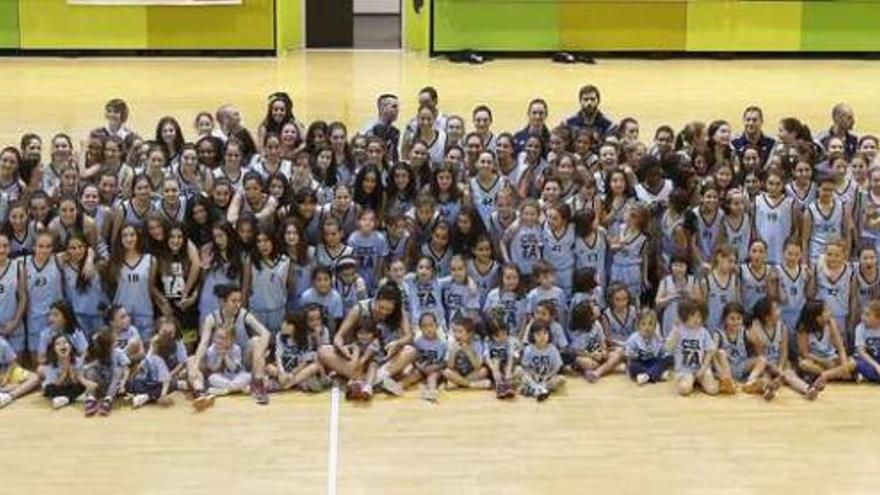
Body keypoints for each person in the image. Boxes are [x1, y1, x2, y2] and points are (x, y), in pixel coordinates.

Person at [190, 284, 271, 406]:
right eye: (234, 301)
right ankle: (200, 392)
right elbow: (204, 343)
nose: (238, 304)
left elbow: (266, 333)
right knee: (191, 360)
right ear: (223, 302)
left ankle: (258, 385)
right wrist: (196, 366)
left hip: (239, 361)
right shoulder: (211, 318)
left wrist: (259, 354)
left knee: (257, 341)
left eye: (239, 300)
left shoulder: (243, 314)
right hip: (217, 362)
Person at [665, 298, 719, 396]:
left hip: (701, 368)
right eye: (692, 316)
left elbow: (710, 351)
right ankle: (692, 380)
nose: (696, 319)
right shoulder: (679, 330)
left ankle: (699, 380)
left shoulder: (703, 332)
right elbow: (668, 348)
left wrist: (703, 368)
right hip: (684, 369)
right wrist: (675, 332)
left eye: (699, 316)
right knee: (684, 389)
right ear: (685, 316)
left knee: (713, 390)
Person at [517, 322, 565, 401]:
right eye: (538, 334)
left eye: (545, 333)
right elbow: (526, 367)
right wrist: (533, 375)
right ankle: (537, 389)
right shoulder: (529, 349)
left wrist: (548, 376)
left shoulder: (553, 349)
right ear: (532, 336)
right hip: (533, 377)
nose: (542, 337)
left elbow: (556, 367)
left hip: (547, 378)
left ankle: (537, 389)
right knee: (519, 371)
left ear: (549, 334)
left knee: (561, 379)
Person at [0, 335, 39, 408]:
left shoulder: (2, 343)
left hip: (5, 371)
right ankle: (6, 389)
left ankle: (9, 396)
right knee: (16, 386)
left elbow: (12, 362)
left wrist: (6, 378)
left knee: (34, 378)